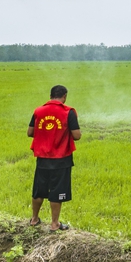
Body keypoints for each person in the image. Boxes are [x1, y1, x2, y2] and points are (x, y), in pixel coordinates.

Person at [28, 85, 81, 231]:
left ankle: (34, 219)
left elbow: (30, 132)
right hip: (61, 158)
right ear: (64, 96)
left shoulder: (38, 111)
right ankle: (54, 223)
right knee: (57, 191)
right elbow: (77, 136)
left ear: (51, 96)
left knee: (39, 190)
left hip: (42, 158)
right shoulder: (68, 112)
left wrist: (45, 132)